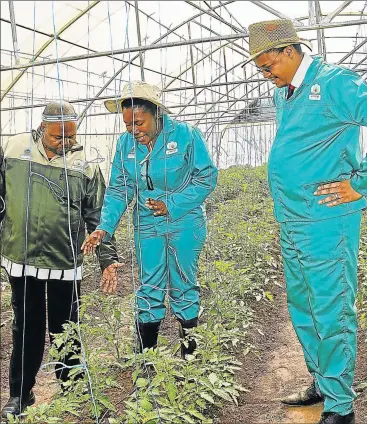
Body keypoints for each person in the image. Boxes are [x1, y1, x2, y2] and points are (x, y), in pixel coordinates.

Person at [243, 19, 367, 424]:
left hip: (326, 221)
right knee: (303, 306)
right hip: (295, 219)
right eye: (261, 70)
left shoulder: (334, 82)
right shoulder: (287, 92)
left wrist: (362, 184)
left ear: (288, 50)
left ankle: (340, 406)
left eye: (268, 66)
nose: (266, 76)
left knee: (331, 307)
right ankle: (322, 381)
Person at [0, 101, 121, 418]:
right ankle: (20, 395)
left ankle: (74, 393)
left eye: (71, 135)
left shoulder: (86, 162)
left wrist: (107, 258)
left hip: (65, 260)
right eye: (58, 137)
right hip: (21, 258)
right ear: (41, 129)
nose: (67, 142)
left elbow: (98, 215)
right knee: (26, 327)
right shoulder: (12, 148)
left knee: (66, 330)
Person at [82, 81, 218, 358]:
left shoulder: (186, 136)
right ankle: (148, 357)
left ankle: (189, 355)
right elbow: (120, 189)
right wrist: (104, 227)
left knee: (183, 282)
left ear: (157, 114)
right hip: (147, 224)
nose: (133, 130)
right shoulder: (124, 145)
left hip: (185, 221)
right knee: (150, 285)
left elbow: (206, 177)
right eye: (128, 124)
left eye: (139, 122)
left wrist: (171, 204)